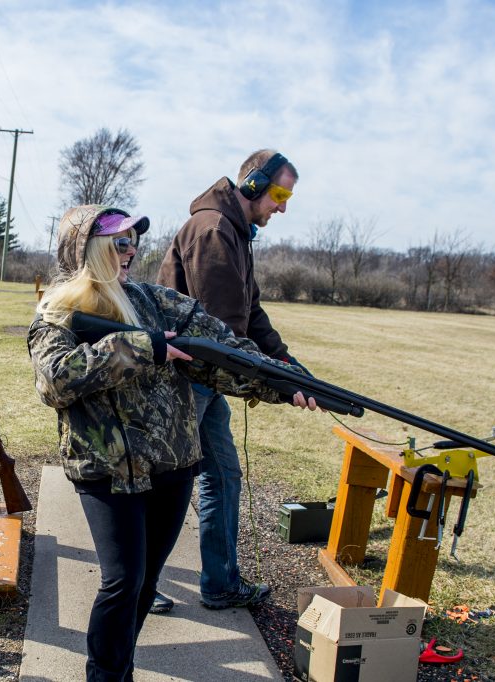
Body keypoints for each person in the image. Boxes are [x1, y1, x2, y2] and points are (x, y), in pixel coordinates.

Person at [27, 204, 318, 681]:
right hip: (108, 470)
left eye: (133, 241)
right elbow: (56, 379)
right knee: (122, 581)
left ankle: (120, 668)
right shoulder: (61, 313)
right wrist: (145, 347)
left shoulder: (154, 301)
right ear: (85, 250)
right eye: (118, 241)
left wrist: (283, 382)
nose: (130, 249)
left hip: (172, 465)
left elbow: (224, 352)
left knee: (144, 585)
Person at [154, 149, 305, 611]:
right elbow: (219, 328)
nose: (282, 206)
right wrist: (272, 381)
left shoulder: (237, 233)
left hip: (206, 377)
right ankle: (135, 584)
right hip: (187, 375)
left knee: (221, 475)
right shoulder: (215, 230)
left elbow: (249, 311)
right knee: (166, 481)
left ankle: (219, 584)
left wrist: (287, 364)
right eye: (279, 194)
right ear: (254, 185)